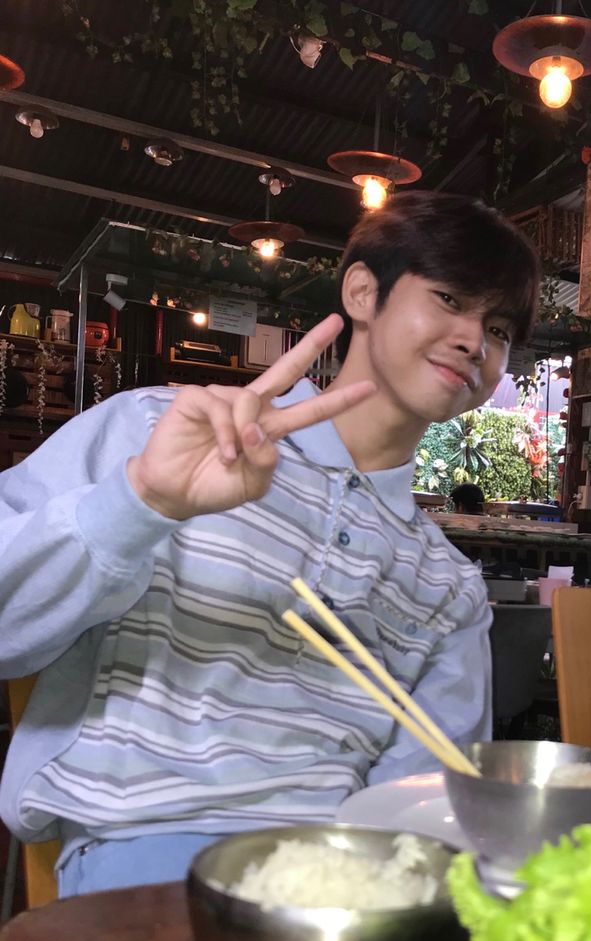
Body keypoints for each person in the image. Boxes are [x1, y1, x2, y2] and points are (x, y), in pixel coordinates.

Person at [0, 191, 540, 896]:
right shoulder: (160, 433)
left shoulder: (449, 585)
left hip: (338, 882)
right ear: (363, 291)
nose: (475, 340)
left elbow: (419, 797)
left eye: (497, 327)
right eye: (448, 298)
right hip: (146, 853)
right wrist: (143, 501)